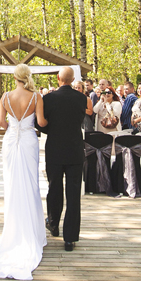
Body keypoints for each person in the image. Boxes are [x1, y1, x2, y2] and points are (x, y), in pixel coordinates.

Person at [0, 63, 47, 280]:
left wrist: (14, 127)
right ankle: (32, 231)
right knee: (31, 184)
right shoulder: (36, 97)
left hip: (11, 140)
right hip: (28, 140)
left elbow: (1, 122)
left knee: (13, 184)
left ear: (15, 77)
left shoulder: (5, 96)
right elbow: (41, 121)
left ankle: (14, 230)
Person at [40, 65, 88, 252]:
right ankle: (70, 238)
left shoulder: (49, 98)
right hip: (75, 149)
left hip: (55, 149)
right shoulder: (81, 98)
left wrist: (51, 130)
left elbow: (41, 124)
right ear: (72, 79)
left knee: (54, 188)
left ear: (58, 79)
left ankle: (53, 223)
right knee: (74, 194)